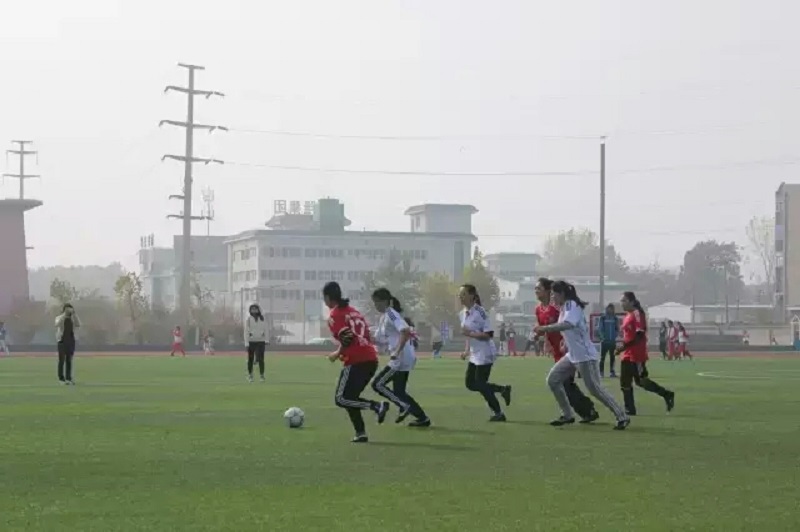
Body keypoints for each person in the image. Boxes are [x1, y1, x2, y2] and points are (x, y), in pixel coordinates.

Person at [534, 281, 629, 430]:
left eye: (553, 294)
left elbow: (569, 324)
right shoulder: (564, 307)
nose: (552, 297)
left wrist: (545, 328)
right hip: (572, 355)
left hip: (585, 356)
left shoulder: (571, 305)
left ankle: (622, 416)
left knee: (595, 389)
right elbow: (572, 328)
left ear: (562, 294)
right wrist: (565, 342)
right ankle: (567, 415)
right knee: (553, 380)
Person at [324, 281, 389, 443]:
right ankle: (360, 433)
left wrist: (337, 353)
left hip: (357, 360)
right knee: (351, 397)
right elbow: (364, 335)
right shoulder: (354, 312)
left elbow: (347, 338)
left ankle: (376, 406)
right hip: (371, 359)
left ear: (327, 298)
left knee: (341, 398)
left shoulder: (335, 315)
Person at [534, 278, 598, 423]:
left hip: (568, 349)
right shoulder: (538, 309)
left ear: (548, 290)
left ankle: (584, 410)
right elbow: (543, 327)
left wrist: (564, 341)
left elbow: (568, 324)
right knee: (562, 382)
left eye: (539, 288)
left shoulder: (558, 307)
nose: (536, 291)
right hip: (556, 350)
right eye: (535, 289)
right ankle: (582, 411)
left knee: (565, 382)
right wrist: (542, 338)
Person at [370, 288, 431, 427]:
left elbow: (405, 331)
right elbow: (379, 339)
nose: (375, 305)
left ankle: (403, 406)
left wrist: (397, 351)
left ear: (385, 301)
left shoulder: (391, 314)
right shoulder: (384, 317)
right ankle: (422, 418)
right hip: (403, 357)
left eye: (377, 302)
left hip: (400, 357)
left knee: (377, 384)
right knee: (399, 391)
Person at [458, 284, 512, 422]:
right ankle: (502, 389)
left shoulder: (480, 312)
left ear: (472, 296)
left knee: (481, 384)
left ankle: (498, 413)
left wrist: (470, 333)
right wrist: (466, 351)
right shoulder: (462, 313)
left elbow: (488, 335)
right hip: (474, 353)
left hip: (485, 352)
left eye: (463, 294)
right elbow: (467, 334)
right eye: (460, 294)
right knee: (470, 384)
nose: (460, 297)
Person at [617, 292, 675, 416]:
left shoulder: (637, 314)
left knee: (641, 381)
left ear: (632, 301)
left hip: (636, 354)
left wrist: (623, 346)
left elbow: (639, 335)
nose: (622, 303)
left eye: (624, 300)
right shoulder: (628, 315)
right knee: (625, 382)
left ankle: (667, 394)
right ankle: (629, 409)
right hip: (627, 353)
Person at [55, 304, 81, 385]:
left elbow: (78, 324)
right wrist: (64, 315)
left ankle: (68, 378)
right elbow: (57, 324)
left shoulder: (73, 318)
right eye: (67, 309)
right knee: (61, 360)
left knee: (69, 360)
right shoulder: (59, 317)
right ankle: (61, 379)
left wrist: (74, 314)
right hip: (62, 341)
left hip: (71, 340)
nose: (69, 311)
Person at [244, 304, 268, 382]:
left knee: (261, 359)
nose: (254, 310)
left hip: (261, 341)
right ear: (250, 311)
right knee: (250, 359)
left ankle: (262, 375)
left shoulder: (262, 319)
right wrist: (246, 343)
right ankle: (250, 375)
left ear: (258, 310)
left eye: (255, 309)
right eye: (252, 309)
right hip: (251, 341)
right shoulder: (248, 320)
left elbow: (266, 329)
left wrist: (266, 340)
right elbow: (246, 331)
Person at [598, 304, 619, 378]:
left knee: (612, 357)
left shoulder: (615, 318)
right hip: (604, 342)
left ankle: (612, 372)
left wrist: (614, 336)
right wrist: (603, 338)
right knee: (602, 358)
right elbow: (600, 329)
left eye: (611, 308)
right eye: (609, 308)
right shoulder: (603, 317)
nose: (610, 310)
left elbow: (617, 329)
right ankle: (601, 373)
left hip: (612, 342)